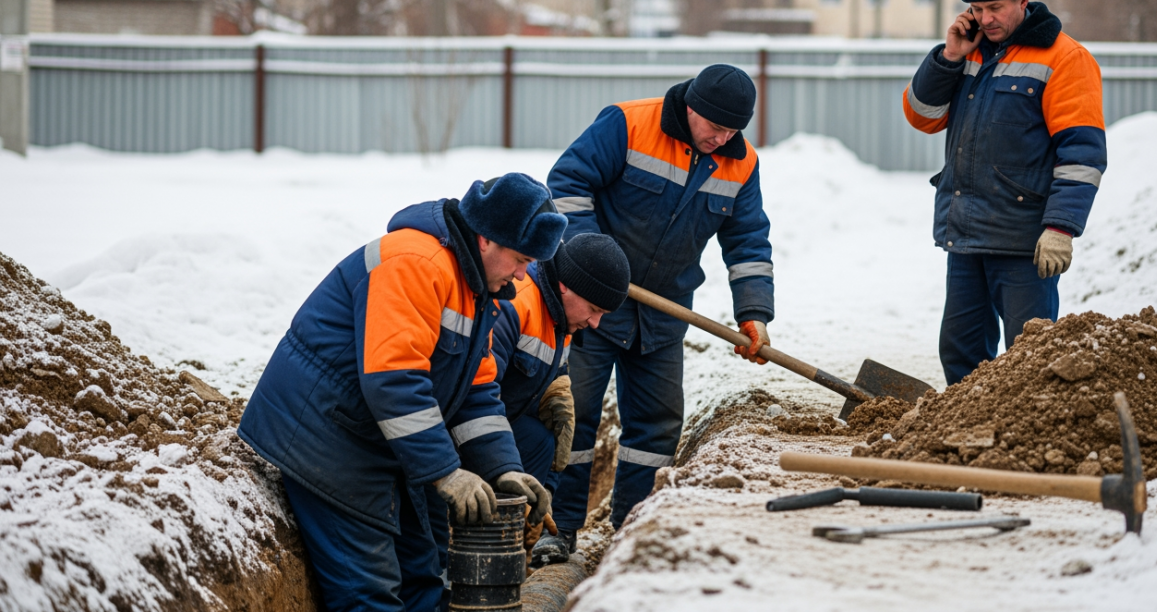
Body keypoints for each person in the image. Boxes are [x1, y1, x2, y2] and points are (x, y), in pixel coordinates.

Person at [238, 173, 567, 612]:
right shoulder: (416, 263)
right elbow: (393, 378)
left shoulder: (475, 287)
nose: (525, 274)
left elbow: (476, 390)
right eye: (522, 258)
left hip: (379, 439)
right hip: (326, 438)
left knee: (423, 576)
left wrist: (502, 468)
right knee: (369, 592)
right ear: (487, 239)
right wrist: (446, 472)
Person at [536, 63, 775, 564]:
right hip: (592, 306)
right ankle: (557, 529)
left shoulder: (741, 163)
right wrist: (594, 262)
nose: (721, 138)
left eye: (732, 130)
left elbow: (748, 241)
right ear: (690, 107)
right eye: (713, 126)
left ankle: (634, 531)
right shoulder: (627, 124)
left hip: (664, 314)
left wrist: (754, 311)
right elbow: (566, 185)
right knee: (572, 419)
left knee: (657, 426)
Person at [902, 0, 1106, 386]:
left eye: (994, 8)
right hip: (966, 234)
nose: (985, 18)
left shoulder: (1066, 59)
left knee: (1030, 359)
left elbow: (1083, 154)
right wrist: (949, 56)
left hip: (1023, 242)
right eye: (976, 9)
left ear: (1023, 2)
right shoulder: (970, 53)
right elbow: (922, 116)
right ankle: (965, 440)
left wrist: (1061, 227)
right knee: (959, 353)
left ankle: (1033, 444)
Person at [488, 233, 630, 556]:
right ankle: (482, 542)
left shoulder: (561, 318)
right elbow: (475, 399)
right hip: (462, 428)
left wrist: (544, 498)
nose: (595, 324)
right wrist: (503, 469)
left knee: (542, 437)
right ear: (566, 285)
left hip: (502, 421)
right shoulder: (517, 303)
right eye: (593, 309)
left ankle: (518, 540)